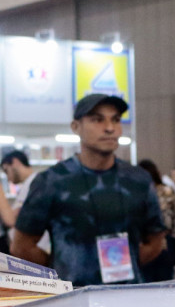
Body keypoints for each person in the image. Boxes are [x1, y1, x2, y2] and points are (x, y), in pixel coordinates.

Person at [12, 93, 166, 286]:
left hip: (127, 297)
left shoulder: (138, 180)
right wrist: (61, 270)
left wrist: (128, 264)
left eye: (116, 120)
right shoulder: (52, 181)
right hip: (72, 299)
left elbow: (155, 241)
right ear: (76, 127)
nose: (110, 128)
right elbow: (21, 246)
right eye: (97, 119)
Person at [137, 159, 175, 281]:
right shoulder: (168, 191)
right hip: (166, 241)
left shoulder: (137, 192)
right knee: (165, 284)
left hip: (143, 243)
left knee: (145, 284)